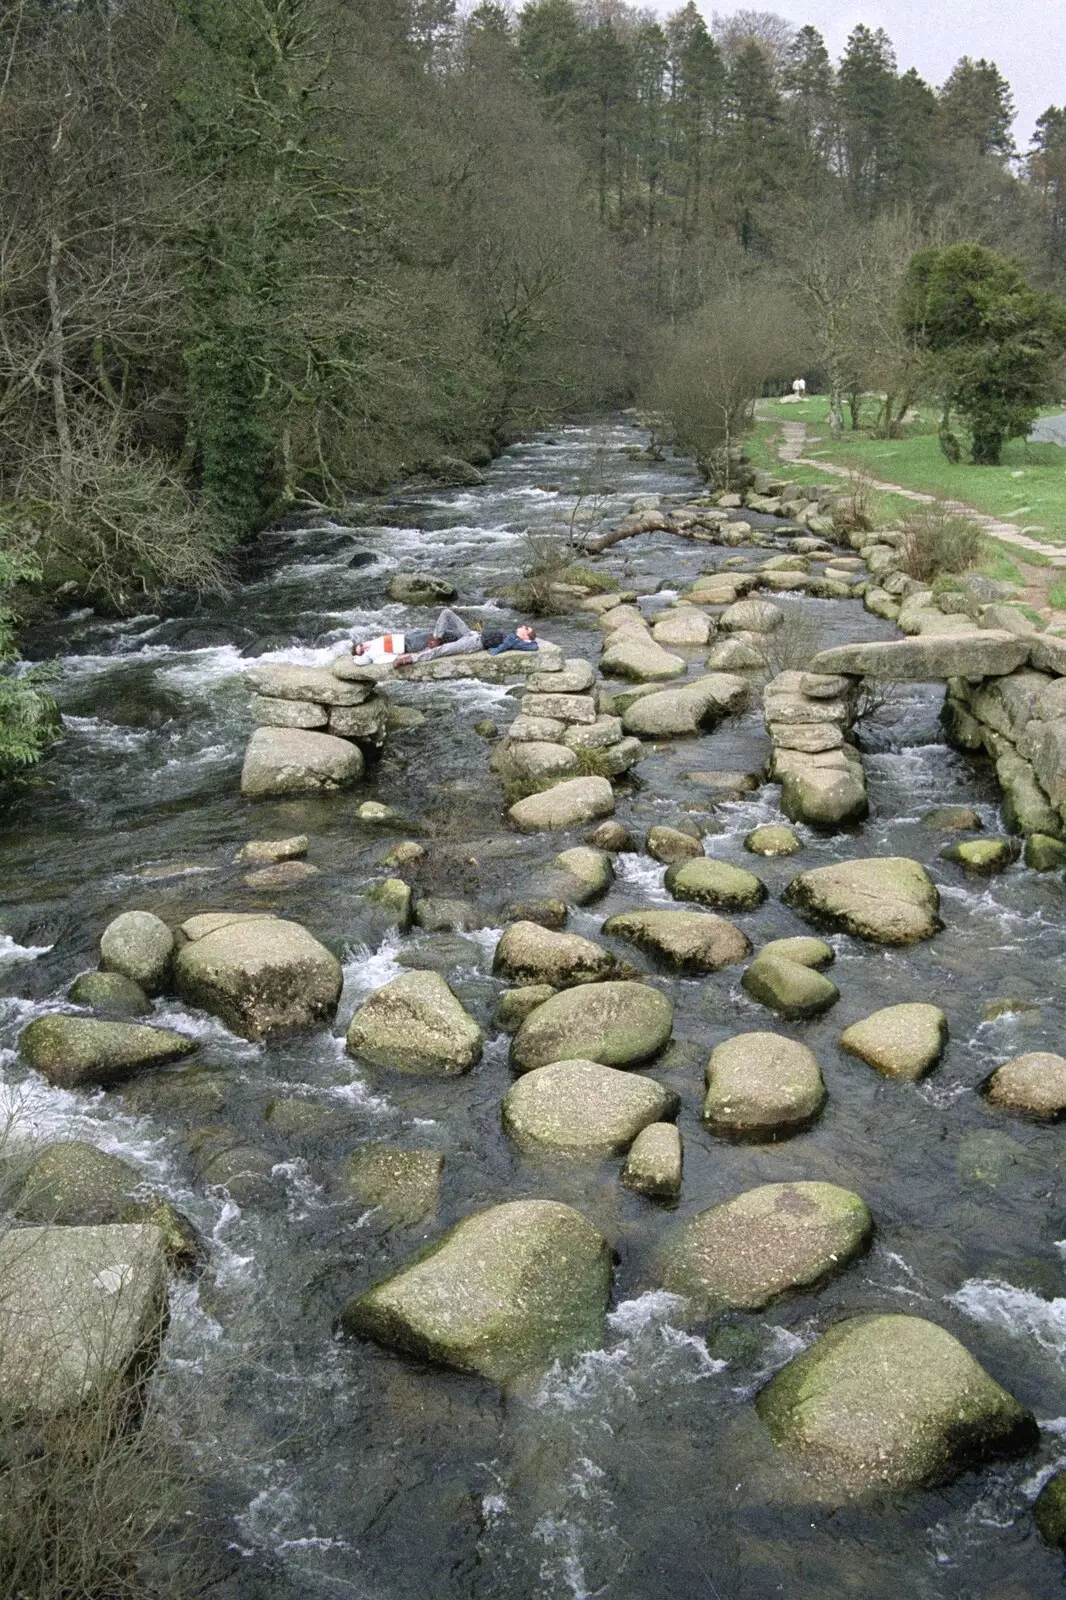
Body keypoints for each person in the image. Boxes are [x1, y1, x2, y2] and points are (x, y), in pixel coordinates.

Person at [351, 608, 482, 666]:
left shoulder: (373, 642)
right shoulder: (372, 653)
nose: (364, 647)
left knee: (441, 634)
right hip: (411, 645)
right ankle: (471, 635)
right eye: (362, 651)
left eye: (361, 645)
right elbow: (360, 662)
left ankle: (470, 634)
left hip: (410, 636)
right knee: (439, 638)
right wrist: (357, 656)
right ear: (364, 654)